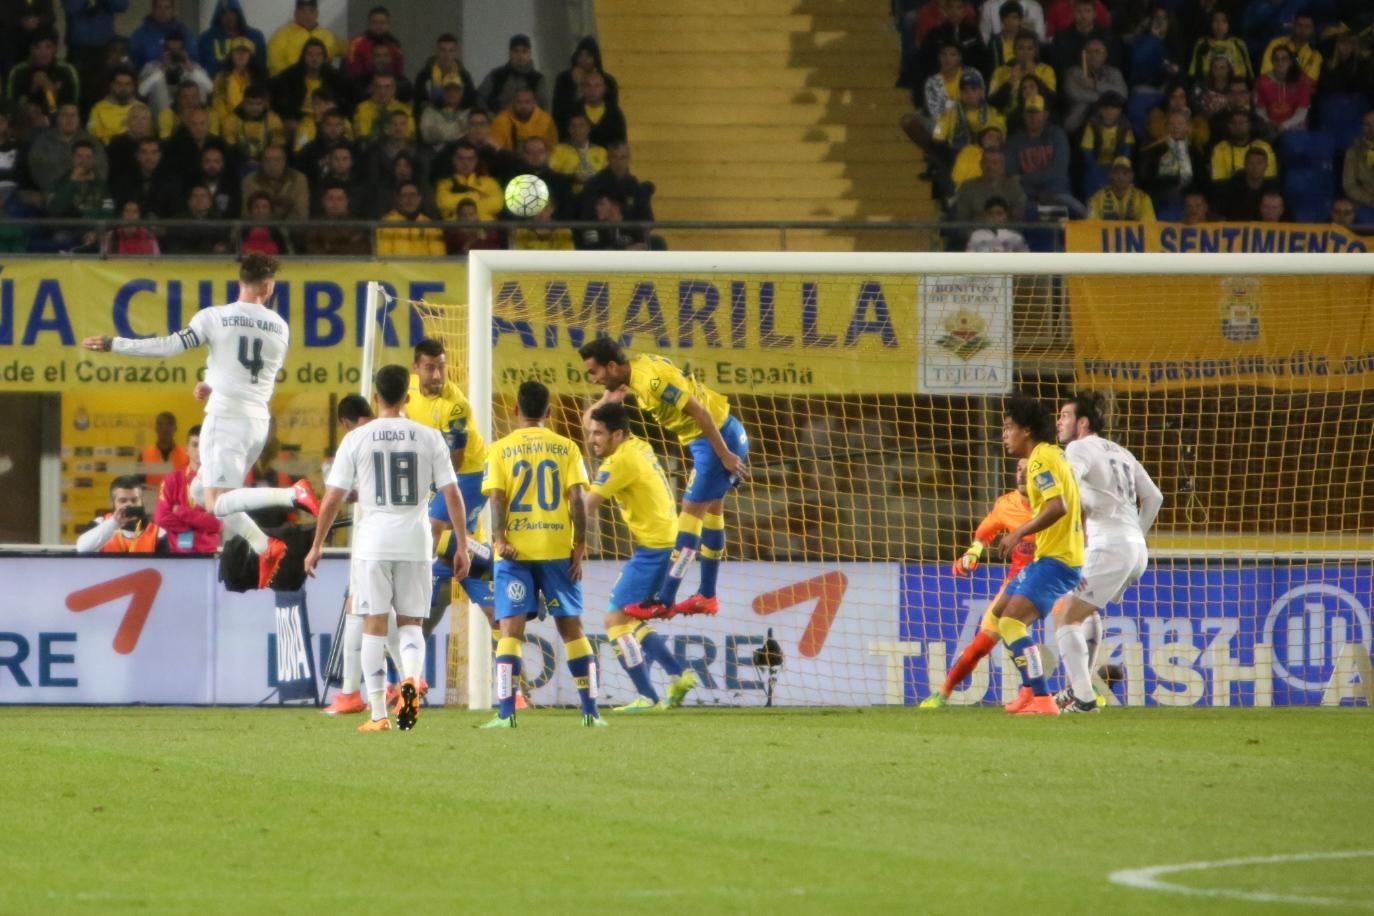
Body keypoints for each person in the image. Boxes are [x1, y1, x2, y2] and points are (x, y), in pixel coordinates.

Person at [81, 254, 318, 589]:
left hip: (225, 418)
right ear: (268, 286)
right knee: (198, 488)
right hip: (257, 421)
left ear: (241, 282)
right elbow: (246, 368)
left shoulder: (215, 317)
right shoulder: (280, 326)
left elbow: (167, 346)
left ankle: (292, 494)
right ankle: (265, 547)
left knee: (216, 503)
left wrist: (114, 343)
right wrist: (211, 382)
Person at [306, 365, 469, 732]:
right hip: (416, 540)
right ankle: (410, 679)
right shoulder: (429, 437)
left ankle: (379, 713)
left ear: (376, 396)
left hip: (374, 541)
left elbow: (332, 498)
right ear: (407, 397)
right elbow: (452, 494)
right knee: (412, 623)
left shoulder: (357, 439)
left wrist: (317, 544)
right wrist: (461, 545)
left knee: (374, 626)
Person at [580, 340, 750, 619]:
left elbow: (699, 412)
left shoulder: (651, 382)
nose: (593, 379)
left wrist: (725, 455)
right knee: (712, 512)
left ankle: (665, 599)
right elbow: (590, 420)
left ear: (611, 366)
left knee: (690, 516)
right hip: (720, 435)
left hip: (716, 440)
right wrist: (607, 399)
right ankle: (707, 595)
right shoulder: (636, 371)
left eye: (594, 372)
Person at [480, 380, 599, 729]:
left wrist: (500, 539)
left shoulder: (500, 449)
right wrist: (579, 545)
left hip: (514, 552)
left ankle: (506, 713)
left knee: (510, 631)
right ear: (549, 412)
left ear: (515, 410)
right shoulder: (567, 448)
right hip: (557, 549)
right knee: (573, 630)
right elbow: (577, 499)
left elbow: (497, 498)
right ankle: (590, 712)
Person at [583, 402, 699, 711]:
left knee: (614, 620)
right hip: (667, 543)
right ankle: (678, 674)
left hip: (656, 548)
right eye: (591, 433)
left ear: (617, 434)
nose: (592, 439)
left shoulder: (619, 462)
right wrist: (605, 399)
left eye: (598, 434)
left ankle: (649, 696)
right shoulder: (637, 445)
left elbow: (584, 507)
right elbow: (593, 423)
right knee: (630, 618)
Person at [1052, 395, 1162, 713]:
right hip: (1135, 548)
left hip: (1110, 544)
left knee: (1065, 617)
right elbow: (1154, 497)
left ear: (1082, 423)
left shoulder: (1078, 448)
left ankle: (1085, 699)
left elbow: (1069, 480)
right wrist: (1135, 537)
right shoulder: (1122, 452)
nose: (1059, 422)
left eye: (1065, 416)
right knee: (1085, 613)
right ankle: (1079, 688)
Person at [986, 395, 1084, 716]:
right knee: (1002, 616)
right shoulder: (1053, 455)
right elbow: (1076, 506)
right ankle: (1029, 691)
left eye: (1008, 428)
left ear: (1026, 431)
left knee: (1013, 623)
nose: (1004, 435)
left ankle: (1043, 700)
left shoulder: (1041, 459)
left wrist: (1017, 532)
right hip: (1056, 556)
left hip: (1057, 560)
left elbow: (1059, 507)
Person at [920, 459, 1033, 707]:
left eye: (1029, 469)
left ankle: (1079, 692)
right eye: (1018, 470)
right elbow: (986, 531)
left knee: (1070, 627)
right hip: (1018, 582)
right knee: (982, 644)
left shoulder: (1056, 504)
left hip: (1054, 578)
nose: (1022, 475)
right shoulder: (1007, 504)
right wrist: (974, 551)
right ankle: (943, 693)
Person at [155, 424, 222, 553]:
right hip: (177, 554)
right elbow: (161, 518)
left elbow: (217, 524)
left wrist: (180, 512)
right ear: (187, 449)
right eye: (195, 445)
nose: (200, 450)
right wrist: (200, 524)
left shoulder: (218, 482)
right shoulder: (172, 480)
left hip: (207, 555)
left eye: (205, 445)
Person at [77, 476, 167, 554]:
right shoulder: (100, 523)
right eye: (123, 501)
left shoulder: (158, 533)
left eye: (134, 500)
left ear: (141, 501)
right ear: (112, 502)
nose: (129, 505)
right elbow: (81, 548)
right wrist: (113, 523)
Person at [553, 36, 619, 131]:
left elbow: (612, 112)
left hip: (602, 130)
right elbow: (559, 112)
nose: (583, 60)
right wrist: (578, 86)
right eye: (580, 55)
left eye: (588, 56)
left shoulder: (608, 81)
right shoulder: (564, 79)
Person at [6, 29, 80, 112]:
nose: (43, 52)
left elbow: (69, 109)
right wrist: (32, 90)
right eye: (37, 47)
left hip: (57, 121)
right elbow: (11, 109)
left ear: (55, 49)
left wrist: (49, 92)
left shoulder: (66, 71)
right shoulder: (18, 72)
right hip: (26, 121)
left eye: (48, 47)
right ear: (31, 49)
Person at [267, 0, 344, 77]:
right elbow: (275, 65)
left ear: (317, 13)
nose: (307, 16)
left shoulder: (328, 35)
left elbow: (350, 50)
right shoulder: (281, 35)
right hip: (291, 83)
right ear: (295, 13)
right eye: (302, 11)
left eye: (311, 11)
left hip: (323, 83)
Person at [479, 33, 549, 114]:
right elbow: (480, 98)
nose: (520, 55)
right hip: (500, 124)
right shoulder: (497, 76)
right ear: (510, 53)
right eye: (516, 51)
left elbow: (544, 107)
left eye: (524, 51)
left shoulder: (537, 79)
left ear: (530, 53)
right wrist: (490, 117)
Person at [413, 33, 477, 118]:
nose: (447, 55)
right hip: (431, 120)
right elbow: (418, 106)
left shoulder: (464, 76)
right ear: (436, 51)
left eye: (451, 50)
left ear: (456, 52)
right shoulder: (424, 76)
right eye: (443, 50)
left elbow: (470, 103)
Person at [198, 0, 267, 77]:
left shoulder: (255, 37)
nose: (229, 16)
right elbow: (204, 68)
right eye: (224, 13)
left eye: (232, 12)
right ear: (218, 16)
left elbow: (261, 67)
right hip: (216, 84)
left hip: (250, 83)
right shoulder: (206, 39)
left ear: (238, 14)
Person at [1254, 43, 1311, 134]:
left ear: (1290, 62)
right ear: (1272, 62)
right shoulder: (1262, 82)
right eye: (1276, 59)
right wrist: (1270, 123)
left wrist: (1285, 125)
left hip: (1294, 125)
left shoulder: (1302, 81)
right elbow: (1260, 111)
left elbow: (1302, 112)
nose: (1280, 62)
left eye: (1284, 59)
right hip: (1270, 127)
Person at [1210, 108, 1277, 183]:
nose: (1237, 126)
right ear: (1228, 126)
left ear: (1249, 125)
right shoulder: (1219, 149)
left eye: (1241, 122)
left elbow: (1270, 179)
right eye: (1233, 123)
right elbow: (1219, 181)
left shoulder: (1264, 147)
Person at [377, 181, 443, 255]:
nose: (409, 199)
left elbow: (438, 257)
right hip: (396, 266)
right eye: (404, 195)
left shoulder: (431, 225)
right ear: (398, 199)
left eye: (413, 195)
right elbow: (383, 257)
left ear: (419, 198)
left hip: (424, 266)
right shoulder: (386, 223)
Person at [550, 112, 607, 197]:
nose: (577, 130)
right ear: (569, 129)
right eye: (573, 126)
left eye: (581, 125)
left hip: (595, 196)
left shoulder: (601, 152)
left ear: (588, 128)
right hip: (568, 196)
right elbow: (552, 176)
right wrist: (573, 178)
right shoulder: (558, 150)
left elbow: (607, 176)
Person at [129, 0, 197, 71]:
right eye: (159, 7)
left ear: (173, 10)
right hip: (150, 73)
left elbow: (194, 57)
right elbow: (136, 62)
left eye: (167, 8)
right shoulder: (140, 34)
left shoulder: (185, 32)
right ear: (153, 10)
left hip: (182, 74)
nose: (163, 11)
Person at [490, 86, 559, 154]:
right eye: (519, 102)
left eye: (527, 102)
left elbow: (552, 150)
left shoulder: (546, 120)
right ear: (513, 102)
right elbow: (496, 150)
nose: (523, 106)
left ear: (534, 102)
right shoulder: (500, 121)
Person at [1087, 157, 1156, 220]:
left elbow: (1148, 227)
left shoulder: (1142, 199)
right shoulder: (1098, 199)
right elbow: (1091, 225)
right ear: (1110, 175)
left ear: (1131, 176)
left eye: (1125, 173)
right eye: (1116, 173)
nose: (1120, 177)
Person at [87, 65, 138, 144]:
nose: (123, 88)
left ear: (133, 86)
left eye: (128, 84)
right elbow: (93, 139)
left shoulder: (141, 108)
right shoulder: (98, 109)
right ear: (111, 85)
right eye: (119, 84)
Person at [140, 410, 187, 486]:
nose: (164, 429)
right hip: (152, 497)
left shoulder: (186, 455)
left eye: (169, 424)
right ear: (155, 428)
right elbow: (138, 485)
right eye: (160, 424)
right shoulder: (144, 455)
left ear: (175, 428)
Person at [1343, 112, 1374, 211]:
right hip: (1364, 205)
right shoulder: (1352, 152)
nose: (1372, 129)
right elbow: (1349, 185)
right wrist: (1370, 200)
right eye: (1368, 125)